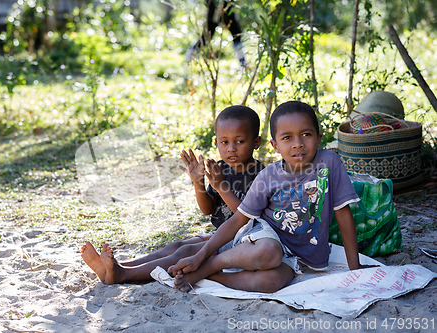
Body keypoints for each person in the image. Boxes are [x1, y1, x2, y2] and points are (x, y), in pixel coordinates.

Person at [168, 100, 373, 293]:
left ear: (319, 138)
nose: (298, 144)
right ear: (275, 146)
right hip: (267, 238)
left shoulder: (330, 163)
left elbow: (343, 214)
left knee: (271, 282)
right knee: (269, 252)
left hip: (300, 257)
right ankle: (208, 265)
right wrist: (200, 256)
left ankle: (209, 276)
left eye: (306, 135)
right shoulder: (267, 176)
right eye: (287, 138)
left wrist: (354, 267)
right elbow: (239, 219)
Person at [81, 105, 265, 284]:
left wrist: (221, 187)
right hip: (220, 234)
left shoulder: (260, 174)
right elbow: (208, 209)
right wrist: (198, 182)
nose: (231, 148)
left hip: (245, 240)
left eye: (239, 141)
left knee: (185, 252)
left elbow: (247, 218)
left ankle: (123, 275)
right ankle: (118, 267)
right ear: (216, 142)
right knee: (175, 246)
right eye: (224, 142)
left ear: (256, 143)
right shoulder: (220, 169)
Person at [185, 0, 248, 68]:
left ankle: (243, 64)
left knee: (236, 34)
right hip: (215, 7)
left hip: (226, 6)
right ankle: (188, 59)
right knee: (206, 38)